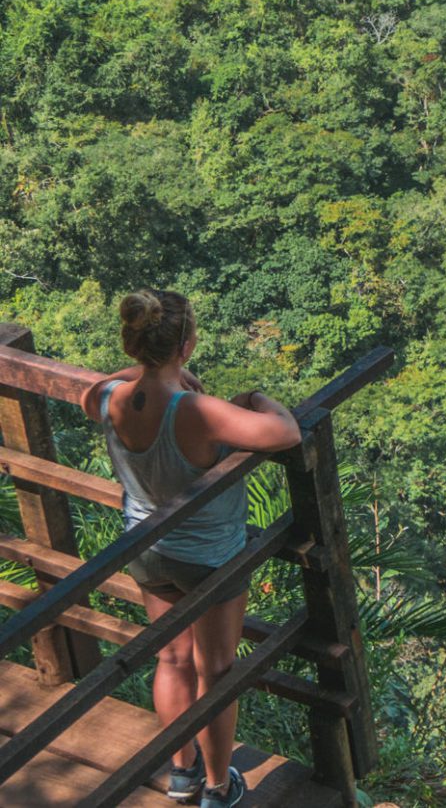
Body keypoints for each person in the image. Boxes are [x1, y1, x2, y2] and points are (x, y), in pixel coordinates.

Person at [80, 290, 301, 807]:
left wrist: (140, 372)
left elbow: (88, 391)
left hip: (147, 549)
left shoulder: (113, 398)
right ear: (187, 346)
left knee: (172, 659)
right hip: (210, 561)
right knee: (216, 672)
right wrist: (253, 399)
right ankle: (220, 788)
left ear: (134, 344)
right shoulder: (198, 411)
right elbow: (284, 431)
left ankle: (182, 775)